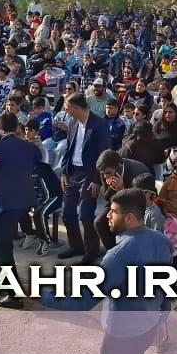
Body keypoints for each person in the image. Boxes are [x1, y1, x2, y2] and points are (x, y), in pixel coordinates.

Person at [41, 189, 173, 354]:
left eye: (113, 211)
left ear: (129, 218)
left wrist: (40, 293)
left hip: (122, 337)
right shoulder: (162, 241)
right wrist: (161, 317)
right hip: (147, 329)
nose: (108, 215)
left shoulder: (118, 255)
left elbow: (82, 300)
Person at [0, 112, 40, 309]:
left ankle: (13, 294)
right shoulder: (29, 146)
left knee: (3, 247)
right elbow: (36, 163)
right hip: (26, 199)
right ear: (17, 127)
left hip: (4, 202)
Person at [59, 92, 111, 262]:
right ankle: (76, 246)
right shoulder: (72, 123)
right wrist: (64, 172)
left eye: (68, 109)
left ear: (77, 108)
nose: (66, 112)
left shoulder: (99, 125)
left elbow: (104, 155)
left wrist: (97, 180)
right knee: (67, 213)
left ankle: (91, 251)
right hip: (73, 172)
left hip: (90, 173)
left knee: (86, 215)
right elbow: (68, 149)